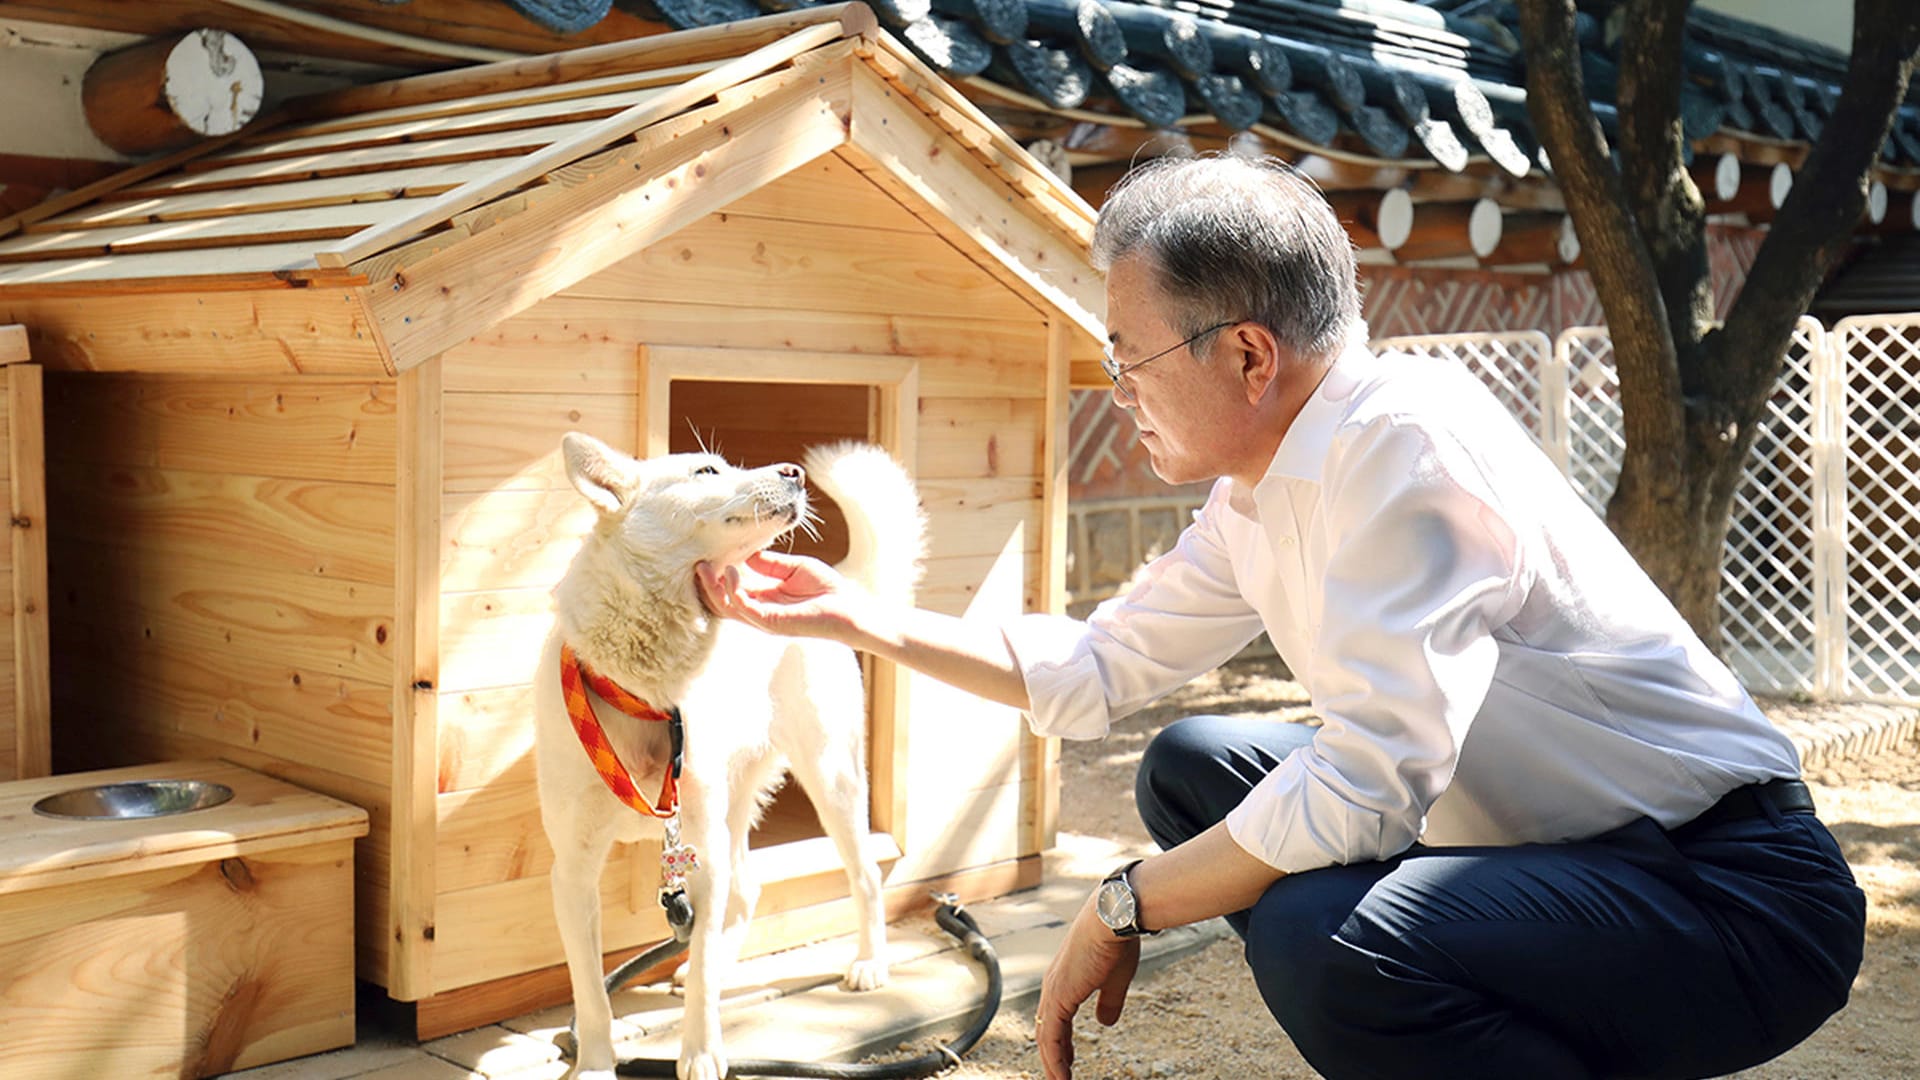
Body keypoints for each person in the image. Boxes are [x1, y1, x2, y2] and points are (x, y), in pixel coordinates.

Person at [695, 154, 1865, 1080]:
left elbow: (1367, 783)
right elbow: (1098, 666)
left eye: (1127, 355)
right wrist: (854, 617)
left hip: (1728, 895)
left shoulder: (1403, 448)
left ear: (1249, 353)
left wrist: (1121, 904)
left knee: (1328, 939)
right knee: (1200, 766)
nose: (1120, 392)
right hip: (1546, 848)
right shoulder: (1259, 488)